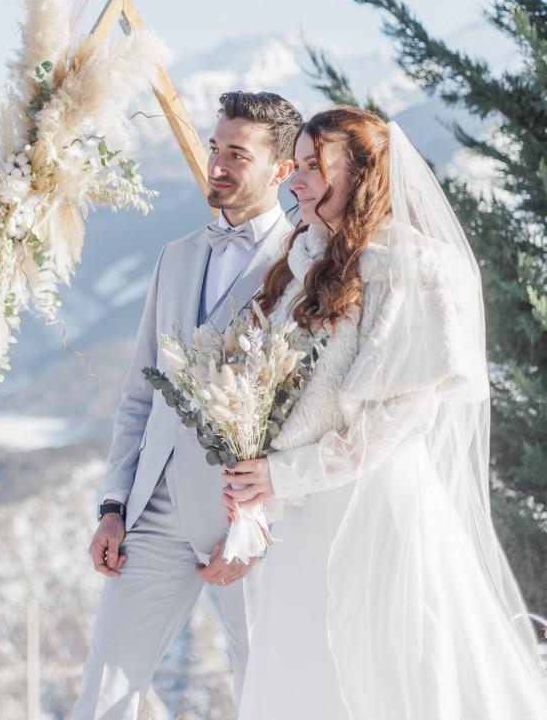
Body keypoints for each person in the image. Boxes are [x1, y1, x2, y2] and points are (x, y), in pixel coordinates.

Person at [225, 107, 547, 718]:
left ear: (364, 174)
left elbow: (396, 419)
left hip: (376, 512)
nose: (295, 180)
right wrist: (253, 469)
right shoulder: (302, 267)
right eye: (297, 165)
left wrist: (284, 474)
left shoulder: (415, 270)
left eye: (314, 166)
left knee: (386, 675)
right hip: (303, 519)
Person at [70, 91, 302, 719]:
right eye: (213, 148)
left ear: (282, 170)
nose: (217, 165)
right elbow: (139, 395)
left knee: (264, 691)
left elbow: (306, 410)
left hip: (249, 520)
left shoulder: (303, 264)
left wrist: (255, 522)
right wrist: (114, 504)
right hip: (153, 512)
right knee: (105, 688)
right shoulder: (175, 257)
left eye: (237, 154)